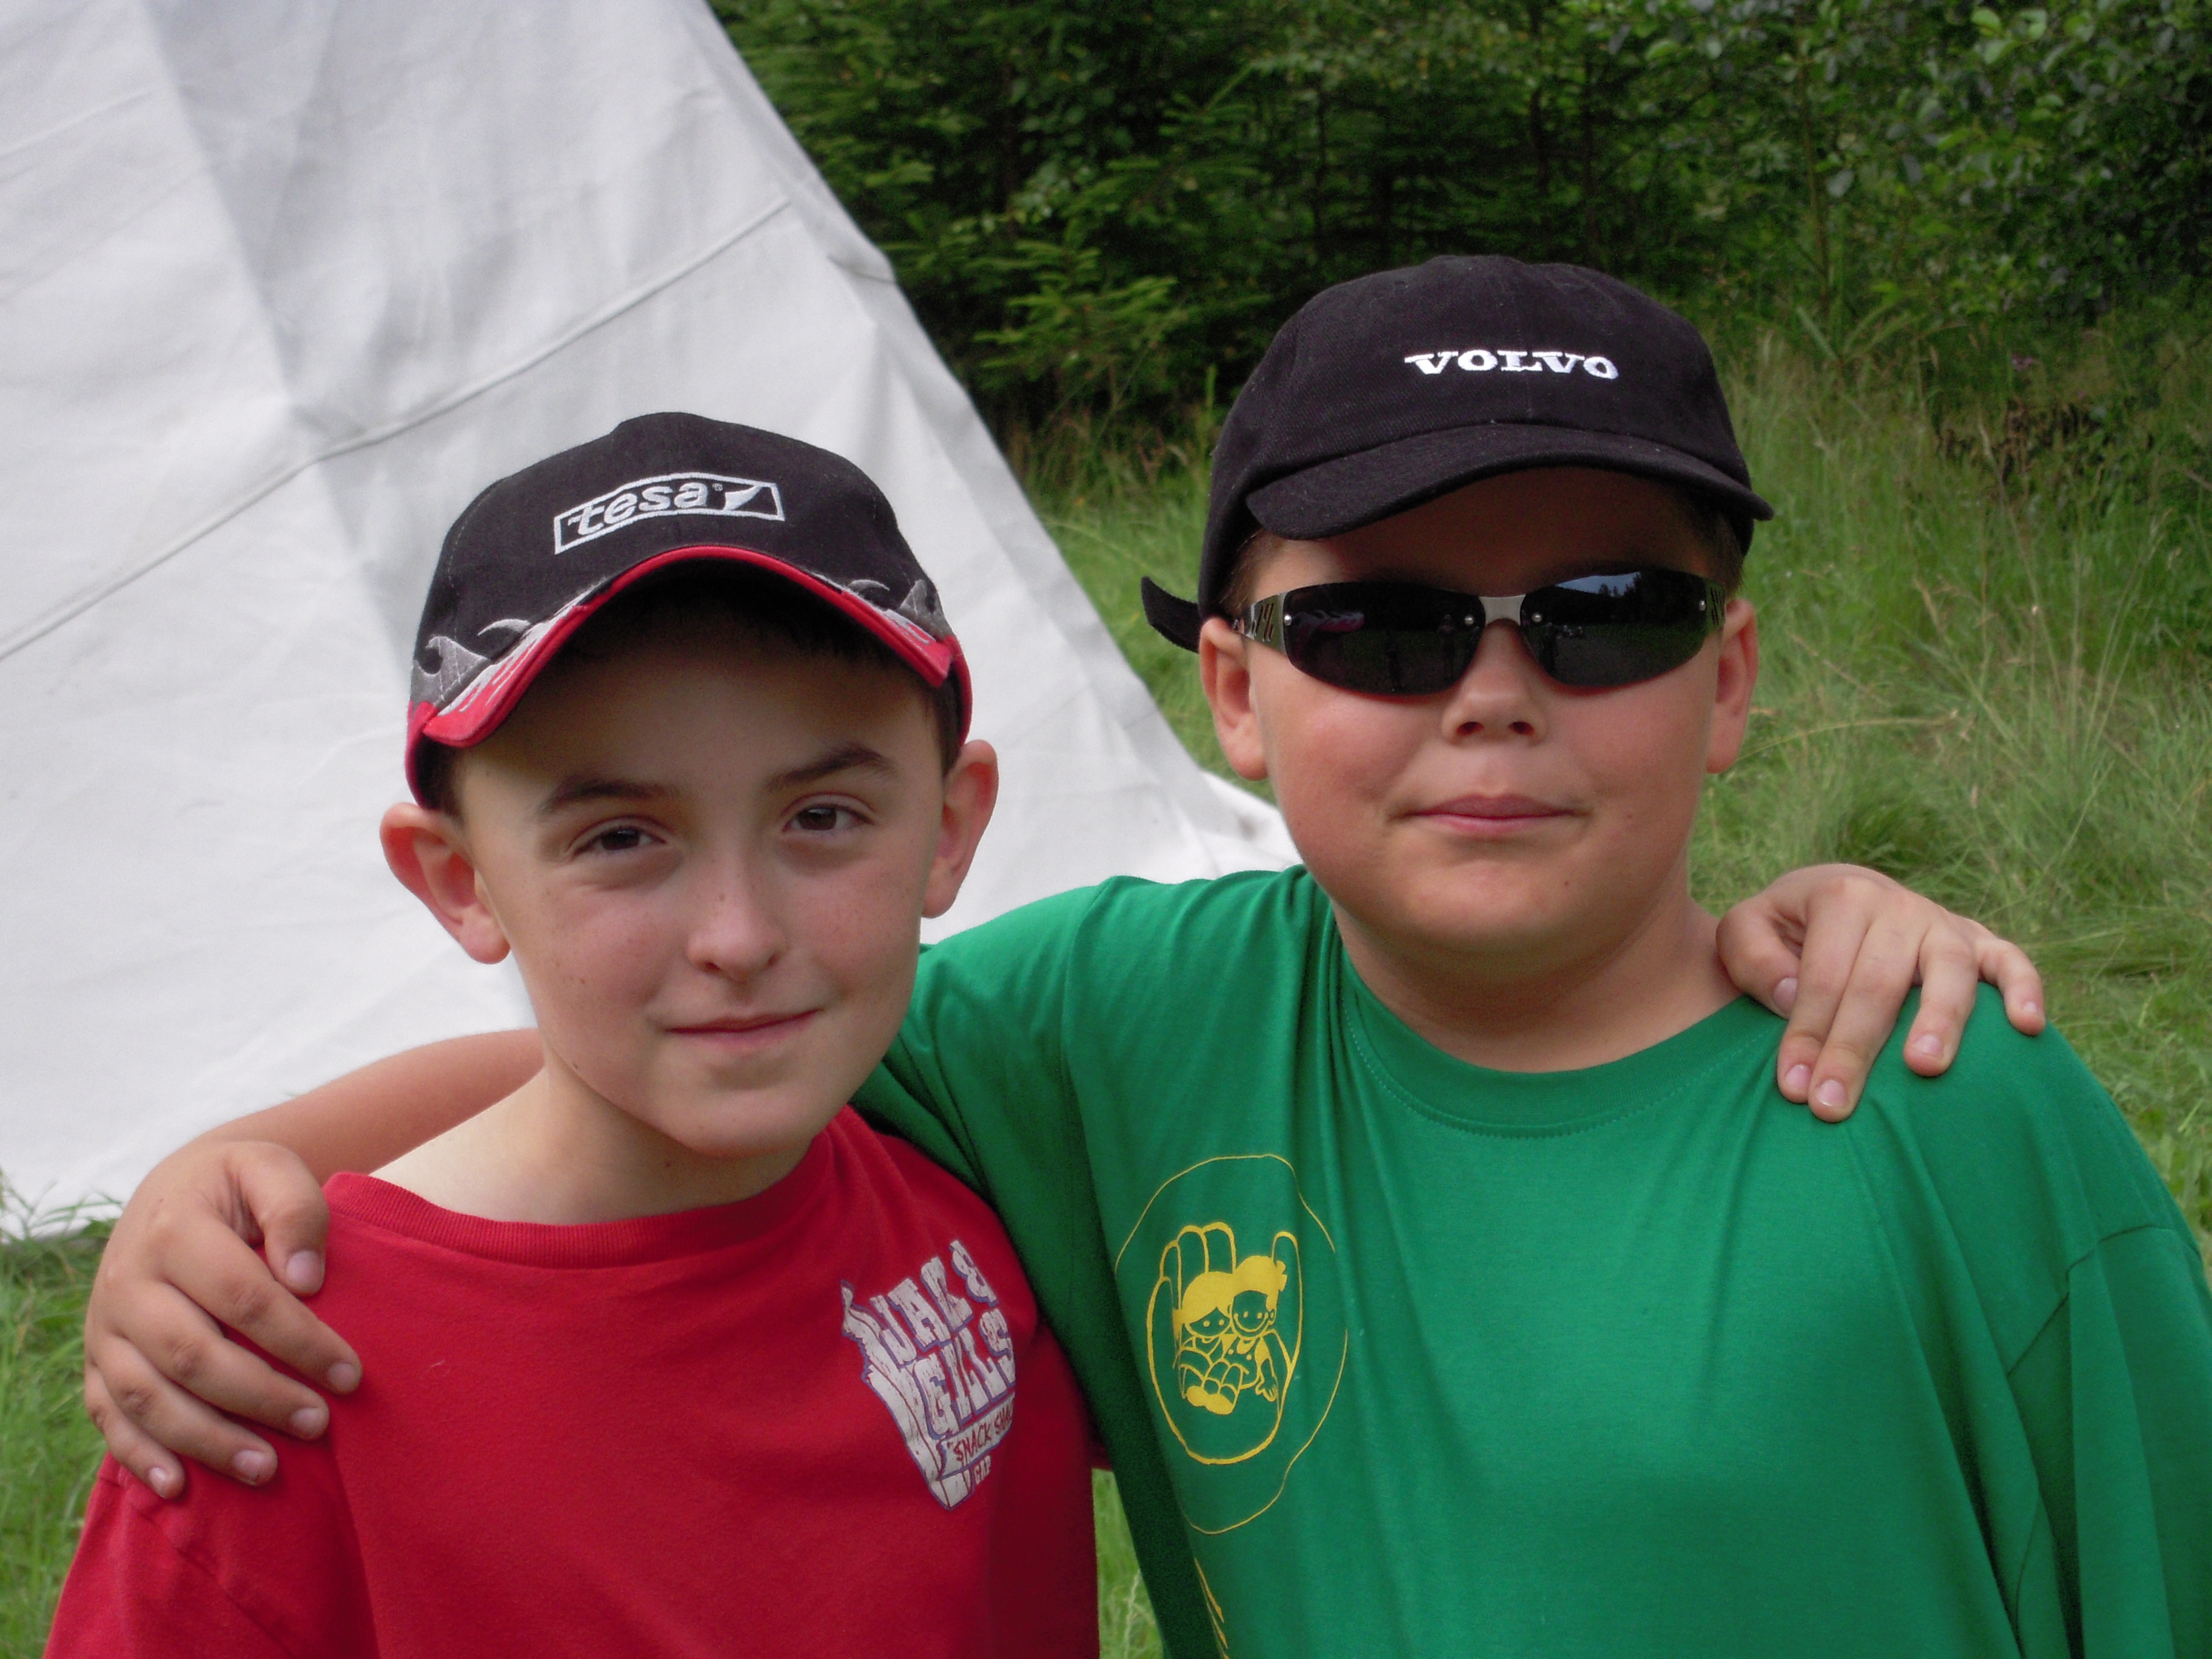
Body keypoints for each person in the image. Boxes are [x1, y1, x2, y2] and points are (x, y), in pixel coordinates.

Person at [82, 261, 2082, 1657]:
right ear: (1233, 686)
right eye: (1381, 628)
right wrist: (225, 1176)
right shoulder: (1112, 1027)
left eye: (1609, 613)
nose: (1494, 694)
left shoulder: (1921, 1078)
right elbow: (650, 1074)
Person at [47, 417, 1099, 1657]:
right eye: (620, 839)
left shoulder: (976, 1169)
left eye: (822, 816)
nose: (737, 935)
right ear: (458, 882)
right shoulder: (268, 1379)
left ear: (951, 827)